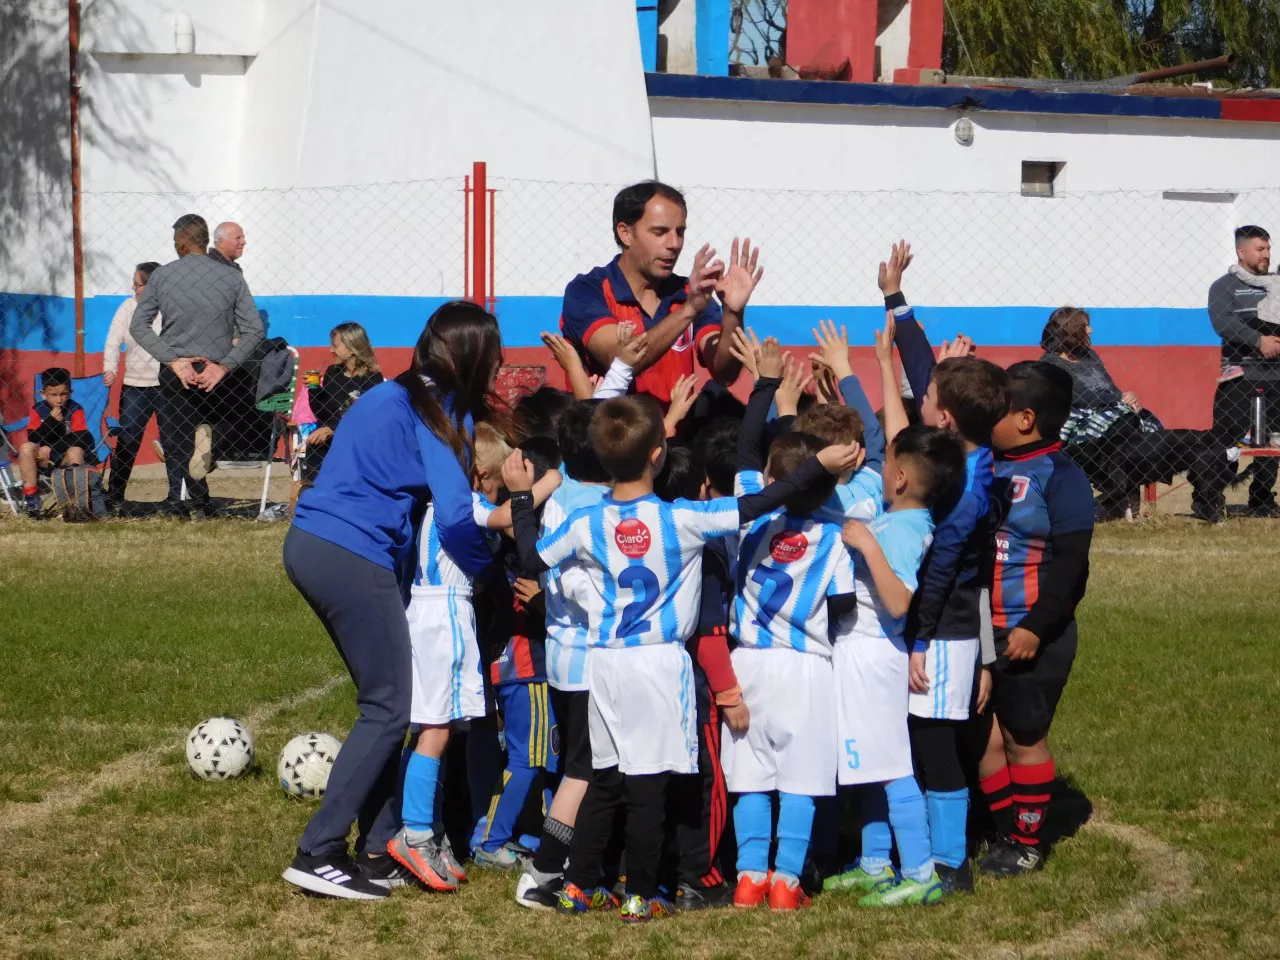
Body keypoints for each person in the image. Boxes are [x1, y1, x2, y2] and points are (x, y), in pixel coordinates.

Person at [504, 396, 860, 922]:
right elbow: (756, 505)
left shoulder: (585, 523)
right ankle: (640, 894)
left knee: (606, 775)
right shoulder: (684, 519)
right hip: (657, 662)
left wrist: (518, 499)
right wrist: (816, 468)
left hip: (604, 661)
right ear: (659, 454)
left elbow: (531, 558)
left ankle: (579, 885)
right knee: (650, 783)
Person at [279, 301, 500, 900]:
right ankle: (318, 850)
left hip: (315, 542)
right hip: (350, 550)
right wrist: (489, 574)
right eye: (495, 359)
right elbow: (455, 516)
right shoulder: (440, 406)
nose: (498, 372)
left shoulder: (394, 392)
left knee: (388, 704)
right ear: (472, 358)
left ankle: (378, 851)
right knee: (388, 708)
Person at [882, 241, 1008, 894]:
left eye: (927, 393)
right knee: (929, 744)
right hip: (953, 632)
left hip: (943, 632)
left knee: (934, 749)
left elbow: (941, 572)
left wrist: (919, 640)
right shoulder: (967, 452)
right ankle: (935, 862)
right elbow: (932, 373)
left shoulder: (965, 488)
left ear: (946, 418)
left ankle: (946, 869)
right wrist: (897, 301)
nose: (920, 391)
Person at [827, 325, 967, 908]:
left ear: (903, 477)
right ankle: (877, 862)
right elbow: (891, 436)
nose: (882, 467)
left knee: (891, 766)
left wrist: (867, 547)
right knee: (871, 763)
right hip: (856, 649)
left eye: (891, 465)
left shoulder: (907, 528)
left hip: (874, 652)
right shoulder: (897, 510)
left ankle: (921, 872)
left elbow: (901, 602)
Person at [389, 421, 562, 892]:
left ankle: (424, 829)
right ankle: (416, 832)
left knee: (437, 727)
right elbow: (506, 518)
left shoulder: (429, 504)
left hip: (433, 612)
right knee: (437, 730)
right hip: (443, 615)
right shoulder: (457, 502)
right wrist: (551, 480)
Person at [723, 354, 857, 912]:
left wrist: (765, 385)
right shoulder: (836, 539)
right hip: (805, 669)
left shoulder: (747, 520)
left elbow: (744, 452)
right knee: (800, 779)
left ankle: (749, 877)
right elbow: (844, 607)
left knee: (751, 775)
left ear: (772, 483)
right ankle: (786, 882)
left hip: (748, 663)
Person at [976, 361, 1094, 877]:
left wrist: (1034, 628)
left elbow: (1072, 566)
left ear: (1025, 418)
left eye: (996, 409)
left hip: (1031, 633)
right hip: (979, 627)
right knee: (983, 734)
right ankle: (1002, 828)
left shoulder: (1062, 477)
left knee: (1023, 737)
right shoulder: (984, 462)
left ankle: (1026, 841)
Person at [558, 181, 762, 404]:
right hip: (608, 436)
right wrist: (689, 310)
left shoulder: (689, 293)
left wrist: (732, 312)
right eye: (660, 232)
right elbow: (620, 360)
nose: (674, 244)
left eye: (680, 232)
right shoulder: (587, 290)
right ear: (625, 233)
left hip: (675, 437)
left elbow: (725, 373)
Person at [1039, 307, 1233, 522]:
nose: (1091, 330)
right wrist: (1117, 401)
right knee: (1124, 430)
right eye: (1085, 326)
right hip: (1080, 418)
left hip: (1112, 411)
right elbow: (1077, 396)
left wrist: (1126, 396)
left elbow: (1109, 387)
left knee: (1142, 425)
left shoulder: (1090, 355)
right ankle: (1117, 498)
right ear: (1072, 331)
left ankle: (1122, 496)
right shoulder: (1050, 363)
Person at [130, 213, 264, 517]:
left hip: (178, 369)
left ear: (181, 241)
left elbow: (140, 325)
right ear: (206, 240)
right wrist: (223, 366)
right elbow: (254, 329)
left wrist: (173, 361)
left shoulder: (163, 276)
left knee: (175, 439)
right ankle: (205, 484)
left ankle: (179, 504)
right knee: (221, 426)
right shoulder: (231, 277)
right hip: (217, 370)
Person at [1210, 225, 1280, 515]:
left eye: (1268, 249)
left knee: (1273, 443)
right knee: (1226, 441)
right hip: (1239, 376)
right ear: (1242, 251)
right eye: (1260, 249)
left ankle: (1262, 498)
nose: (1266, 255)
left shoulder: (1277, 284)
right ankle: (1210, 497)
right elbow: (1221, 323)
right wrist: (1257, 340)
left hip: (1276, 375)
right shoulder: (1224, 286)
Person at [102, 262, 166, 510]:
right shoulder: (128, 307)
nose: (133, 288)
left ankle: (178, 498)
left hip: (166, 387)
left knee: (172, 443)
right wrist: (111, 367)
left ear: (152, 287)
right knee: (127, 442)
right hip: (135, 388)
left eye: (138, 284)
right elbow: (113, 340)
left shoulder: (170, 309)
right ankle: (115, 495)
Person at [303, 322, 385, 483]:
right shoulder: (333, 373)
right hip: (331, 432)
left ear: (352, 348)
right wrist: (314, 389)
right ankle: (316, 495)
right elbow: (323, 412)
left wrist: (332, 429)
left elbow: (365, 417)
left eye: (335, 346)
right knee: (316, 443)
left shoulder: (372, 378)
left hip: (359, 437)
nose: (331, 350)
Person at [17, 368, 96, 520]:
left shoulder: (75, 409)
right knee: (26, 448)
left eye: (63, 394)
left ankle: (75, 507)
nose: (59, 400)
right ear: (43, 394)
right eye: (53, 395)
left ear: (70, 392)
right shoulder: (38, 409)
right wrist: (51, 421)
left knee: (76, 451)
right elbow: (33, 437)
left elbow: (80, 438)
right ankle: (32, 501)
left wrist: (52, 447)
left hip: (65, 457)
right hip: (43, 458)